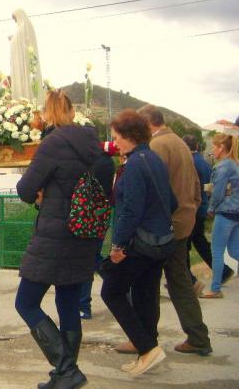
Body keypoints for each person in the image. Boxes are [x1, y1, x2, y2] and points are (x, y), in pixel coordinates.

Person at [15, 90, 100, 388]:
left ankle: (66, 368)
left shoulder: (53, 143)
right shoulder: (91, 143)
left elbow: (25, 189)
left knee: (25, 302)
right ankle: (65, 375)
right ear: (72, 111)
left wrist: (41, 194)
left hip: (55, 234)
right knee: (68, 303)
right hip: (83, 232)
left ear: (48, 113)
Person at [100, 110, 177, 376]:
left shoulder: (133, 166)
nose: (114, 142)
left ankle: (147, 348)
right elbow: (172, 201)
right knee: (146, 294)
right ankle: (148, 351)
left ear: (129, 136)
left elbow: (130, 211)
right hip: (162, 241)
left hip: (140, 243)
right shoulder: (154, 159)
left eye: (116, 137)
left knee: (111, 291)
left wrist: (117, 246)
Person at [137, 105, 211, 356]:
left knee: (146, 283)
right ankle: (198, 336)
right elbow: (195, 186)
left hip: (165, 226)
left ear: (147, 124)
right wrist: (191, 211)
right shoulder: (179, 143)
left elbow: (152, 189)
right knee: (179, 282)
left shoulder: (157, 146)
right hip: (183, 220)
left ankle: (145, 339)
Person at [182, 135, 234, 286]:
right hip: (203, 205)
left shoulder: (190, 162)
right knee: (199, 241)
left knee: (184, 243)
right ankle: (223, 271)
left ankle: (187, 278)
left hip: (194, 208)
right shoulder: (204, 162)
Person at [79, 141, 117, 319]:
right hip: (102, 215)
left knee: (87, 260)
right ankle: (119, 285)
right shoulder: (108, 162)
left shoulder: (93, 163)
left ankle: (83, 305)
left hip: (89, 217)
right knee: (94, 258)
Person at [200, 134, 239, 298]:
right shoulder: (235, 164)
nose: (212, 149)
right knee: (234, 250)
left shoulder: (223, 166)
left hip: (225, 212)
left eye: (214, 146)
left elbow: (217, 193)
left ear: (221, 147)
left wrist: (211, 208)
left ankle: (215, 289)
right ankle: (215, 287)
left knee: (216, 251)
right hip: (236, 213)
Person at [9, 9, 45, 106]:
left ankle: (32, 105)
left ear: (19, 16)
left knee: (28, 83)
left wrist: (13, 40)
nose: (15, 21)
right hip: (21, 63)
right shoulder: (21, 27)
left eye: (15, 19)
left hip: (26, 62)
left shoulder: (25, 25)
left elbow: (25, 43)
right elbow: (20, 41)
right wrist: (13, 39)